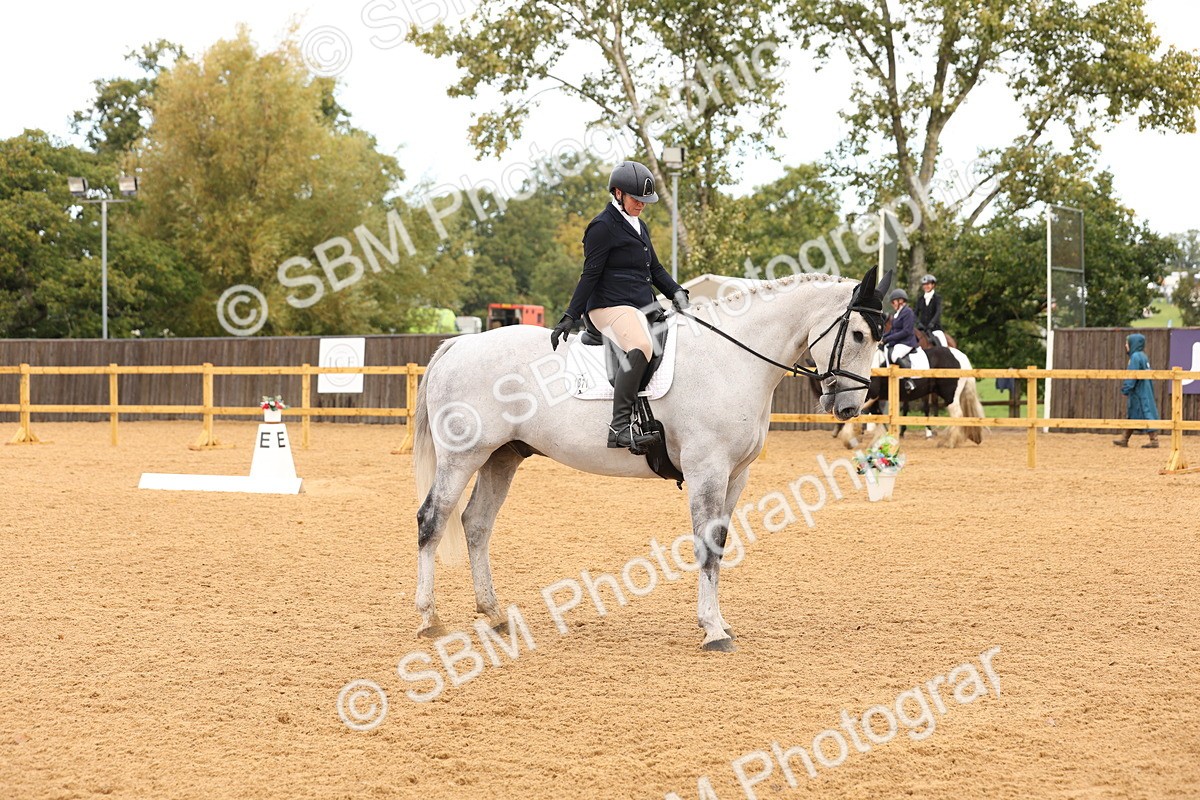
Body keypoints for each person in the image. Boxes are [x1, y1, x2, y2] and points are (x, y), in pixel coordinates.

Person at [549, 161, 690, 452]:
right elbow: (590, 275)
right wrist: (570, 315)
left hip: (641, 305)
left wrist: (676, 291)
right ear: (618, 193)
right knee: (641, 345)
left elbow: (656, 268)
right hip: (607, 306)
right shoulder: (602, 227)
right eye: (636, 198)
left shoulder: (641, 226)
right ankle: (620, 426)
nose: (641, 204)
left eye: (645, 200)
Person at [1114, 332, 1160, 448]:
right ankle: (1125, 438)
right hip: (1144, 389)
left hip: (1139, 391)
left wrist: (1126, 388)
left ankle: (1154, 439)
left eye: (1127, 343)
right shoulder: (1143, 356)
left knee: (1146, 412)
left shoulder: (1135, 357)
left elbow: (1132, 375)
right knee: (1133, 414)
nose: (1125, 345)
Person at [882, 288, 919, 394]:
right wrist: (883, 337)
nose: (892, 304)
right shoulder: (897, 313)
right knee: (885, 350)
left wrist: (888, 339)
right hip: (899, 341)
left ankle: (909, 380)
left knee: (894, 355)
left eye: (893, 302)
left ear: (900, 301)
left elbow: (906, 331)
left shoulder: (908, 312)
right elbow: (893, 330)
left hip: (907, 342)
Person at [914, 274, 947, 347]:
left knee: (943, 343)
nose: (926, 286)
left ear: (933, 285)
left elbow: (938, 312)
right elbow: (915, 313)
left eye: (928, 284)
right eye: (924, 285)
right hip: (922, 329)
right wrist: (918, 323)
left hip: (935, 328)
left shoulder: (937, 298)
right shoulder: (920, 299)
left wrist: (932, 323)